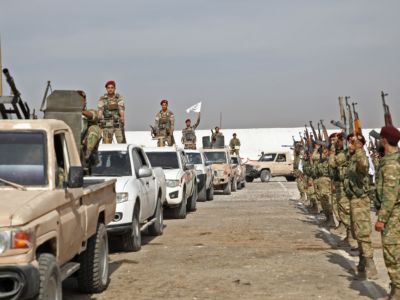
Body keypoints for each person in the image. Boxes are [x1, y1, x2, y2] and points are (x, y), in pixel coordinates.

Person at [344, 133, 378, 280]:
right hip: (353, 199)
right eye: (349, 143)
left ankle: (371, 264)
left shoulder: (362, 156)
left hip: (361, 200)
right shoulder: (352, 158)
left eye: (352, 143)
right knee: (357, 231)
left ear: (359, 144)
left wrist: (359, 148)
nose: (349, 146)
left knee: (362, 231)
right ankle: (363, 261)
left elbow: (364, 165)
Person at [374, 126, 400, 298]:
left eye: (380, 138)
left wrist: (382, 219)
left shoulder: (391, 164)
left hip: (393, 215)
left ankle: (397, 290)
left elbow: (390, 195)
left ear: (384, 140)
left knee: (392, 254)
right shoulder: (393, 160)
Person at [329, 132, 355, 247]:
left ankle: (352, 239)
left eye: (337, 140)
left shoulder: (345, 154)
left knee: (346, 210)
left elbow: (332, 163)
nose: (336, 143)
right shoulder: (346, 153)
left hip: (347, 186)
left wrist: (333, 150)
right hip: (345, 184)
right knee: (344, 210)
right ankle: (349, 236)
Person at [79, 91, 102, 171]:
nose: (80, 102)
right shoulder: (68, 115)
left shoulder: (89, 112)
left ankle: (87, 156)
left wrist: (80, 111)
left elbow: (93, 116)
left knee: (94, 128)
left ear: (85, 102)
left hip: (87, 154)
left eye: (82, 100)